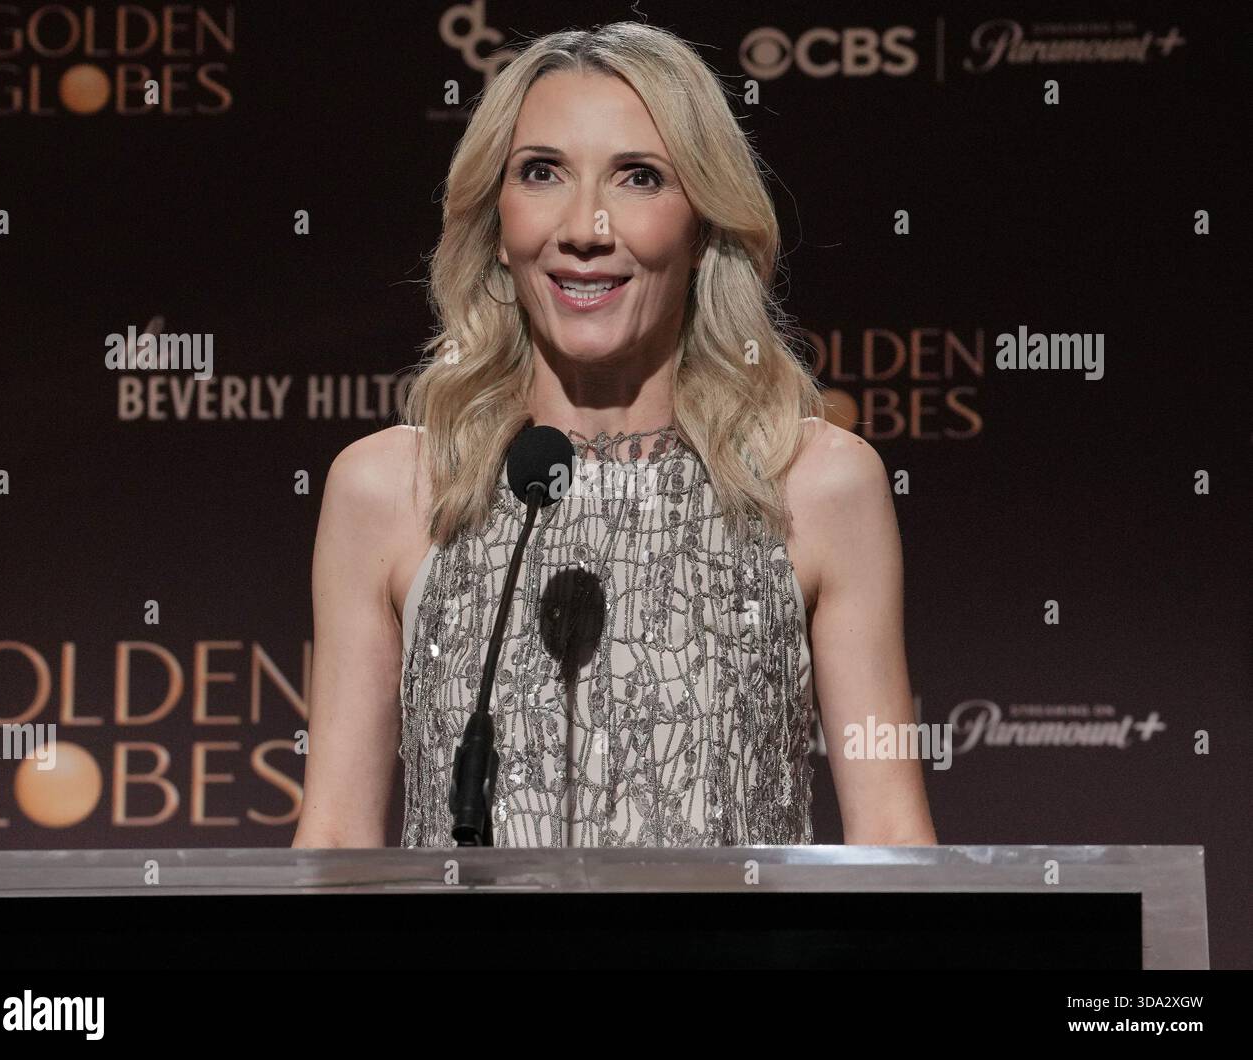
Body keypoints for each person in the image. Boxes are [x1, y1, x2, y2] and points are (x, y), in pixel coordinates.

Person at [293, 22, 936, 848]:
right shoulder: (388, 488)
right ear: (496, 220)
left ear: (704, 226)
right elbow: (336, 841)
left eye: (639, 177)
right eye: (541, 173)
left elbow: (894, 840)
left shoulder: (815, 482)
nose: (586, 227)